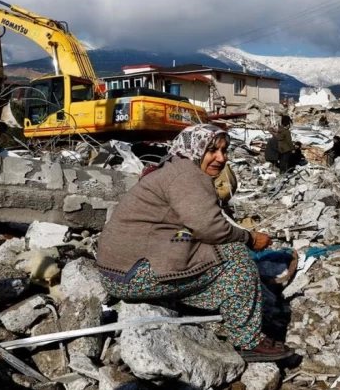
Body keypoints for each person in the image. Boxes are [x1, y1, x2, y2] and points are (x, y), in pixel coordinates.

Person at [95, 124, 293, 362]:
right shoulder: (188, 176)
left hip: (119, 270)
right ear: (196, 149)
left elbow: (194, 226)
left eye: (224, 150)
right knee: (235, 256)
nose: (221, 158)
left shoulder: (175, 167)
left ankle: (204, 302)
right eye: (212, 150)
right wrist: (250, 238)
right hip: (132, 275)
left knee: (206, 249)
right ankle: (247, 340)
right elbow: (210, 228)